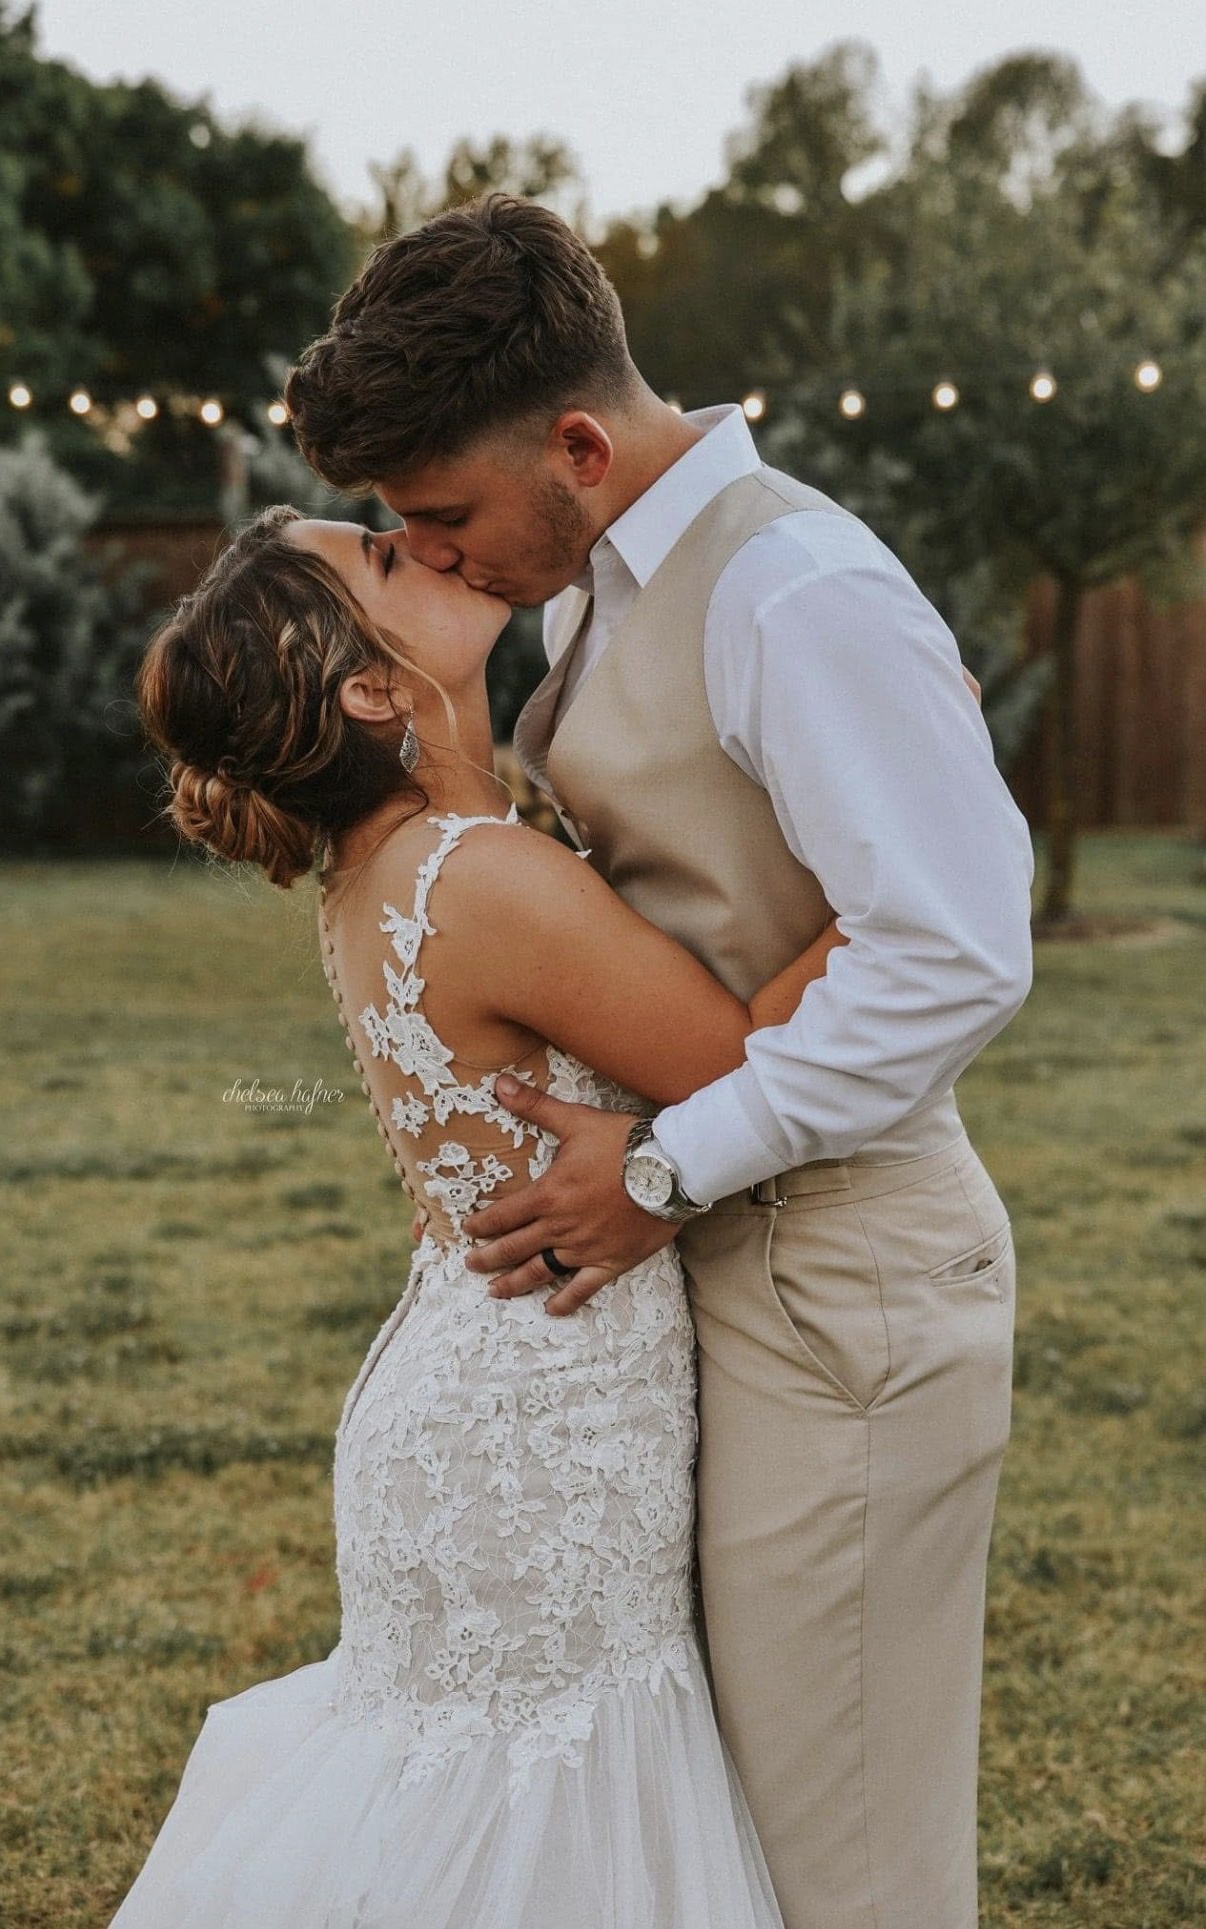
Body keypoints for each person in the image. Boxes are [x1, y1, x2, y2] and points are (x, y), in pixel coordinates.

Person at [283, 193, 1035, 1928]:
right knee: (733, 1842)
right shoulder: (594, 595)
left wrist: (660, 1164)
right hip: (724, 1281)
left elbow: (952, 948)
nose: (438, 557)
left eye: (445, 516)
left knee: (843, 1863)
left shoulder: (794, 590)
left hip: (843, 1280)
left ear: (575, 446)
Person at [112, 498, 878, 1924]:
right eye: (385, 557)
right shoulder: (478, 876)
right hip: (539, 1433)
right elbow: (736, 1065)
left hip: (474, 1390)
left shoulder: (390, 867)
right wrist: (893, 865)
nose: (429, 541)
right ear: (369, 687)